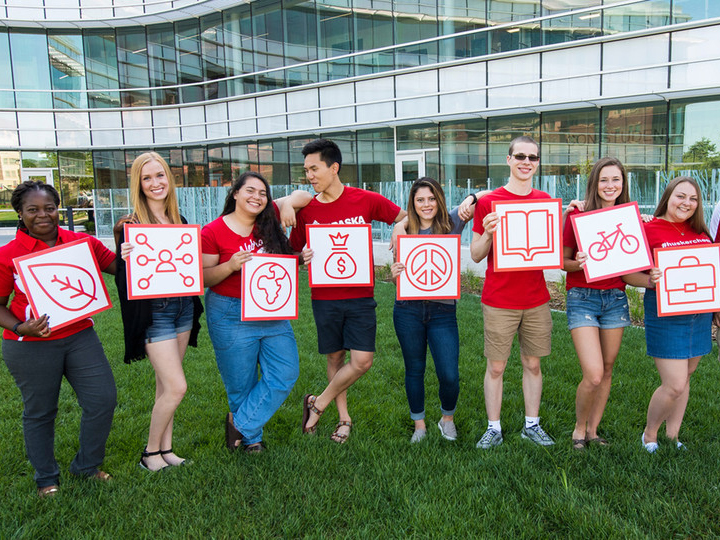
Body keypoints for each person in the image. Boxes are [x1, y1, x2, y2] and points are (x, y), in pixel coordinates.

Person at [0, 181, 117, 497]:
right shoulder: (9, 254)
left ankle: (86, 466)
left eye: (49, 208)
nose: (42, 215)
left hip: (80, 336)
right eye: (32, 210)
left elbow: (120, 269)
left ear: (58, 209)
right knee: (40, 412)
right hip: (29, 345)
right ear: (20, 214)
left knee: (102, 399)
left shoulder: (82, 243)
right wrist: (21, 326)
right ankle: (46, 479)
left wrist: (128, 242)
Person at [291, 138, 406, 444]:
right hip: (324, 297)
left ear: (334, 167)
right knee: (335, 357)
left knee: (362, 360)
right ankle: (344, 419)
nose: (310, 176)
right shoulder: (306, 209)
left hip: (359, 296)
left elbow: (405, 216)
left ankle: (318, 402)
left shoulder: (364, 199)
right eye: (306, 170)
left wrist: (397, 226)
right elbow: (289, 252)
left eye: (314, 169)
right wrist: (301, 258)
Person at [202, 171, 310, 453]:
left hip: (271, 310)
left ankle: (239, 424)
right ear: (235, 193)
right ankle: (252, 439)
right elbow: (203, 277)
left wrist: (286, 205)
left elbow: (305, 196)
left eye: (263, 193)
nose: (257, 197)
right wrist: (229, 266)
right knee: (241, 382)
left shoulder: (269, 217)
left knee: (285, 372)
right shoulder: (213, 231)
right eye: (250, 191)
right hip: (230, 311)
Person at [114, 152, 204, 471]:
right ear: (138, 183)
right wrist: (124, 258)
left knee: (165, 387)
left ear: (170, 179)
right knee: (177, 386)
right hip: (155, 312)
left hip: (182, 308)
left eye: (160, 175)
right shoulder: (130, 225)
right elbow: (123, 280)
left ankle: (167, 450)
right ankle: (149, 453)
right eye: (147, 177)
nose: (155, 183)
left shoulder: (178, 221)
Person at [470, 135, 555, 449]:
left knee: (533, 364)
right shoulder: (490, 202)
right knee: (496, 366)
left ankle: (531, 425)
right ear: (508, 159)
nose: (526, 162)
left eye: (532, 158)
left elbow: (553, 247)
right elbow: (476, 254)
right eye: (520, 156)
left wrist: (575, 211)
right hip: (499, 299)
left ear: (537, 163)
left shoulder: (545, 201)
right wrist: (490, 233)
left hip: (535, 298)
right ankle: (494, 427)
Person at [390, 177, 486, 443]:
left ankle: (447, 419)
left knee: (449, 374)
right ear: (413, 203)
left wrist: (471, 198)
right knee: (414, 369)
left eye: (431, 198)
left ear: (439, 200)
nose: (426, 204)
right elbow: (398, 274)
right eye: (420, 200)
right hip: (407, 310)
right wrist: (394, 271)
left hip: (443, 313)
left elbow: (490, 192)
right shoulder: (404, 231)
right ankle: (419, 425)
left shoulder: (452, 223)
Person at [623, 176, 713, 453]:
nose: (686, 203)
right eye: (680, 196)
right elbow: (628, 275)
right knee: (673, 383)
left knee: (686, 376)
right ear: (668, 197)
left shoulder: (700, 233)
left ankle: (673, 436)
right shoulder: (649, 229)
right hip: (665, 315)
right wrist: (651, 280)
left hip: (699, 315)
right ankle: (650, 434)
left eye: (693, 199)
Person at [562, 157, 631, 450]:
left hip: (615, 299)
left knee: (607, 367)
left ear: (623, 183)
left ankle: (593, 430)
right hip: (583, 299)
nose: (610, 185)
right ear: (594, 183)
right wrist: (578, 264)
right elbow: (562, 262)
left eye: (616, 179)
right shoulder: (578, 215)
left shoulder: (630, 218)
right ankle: (578, 428)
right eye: (604, 179)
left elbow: (634, 262)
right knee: (593, 373)